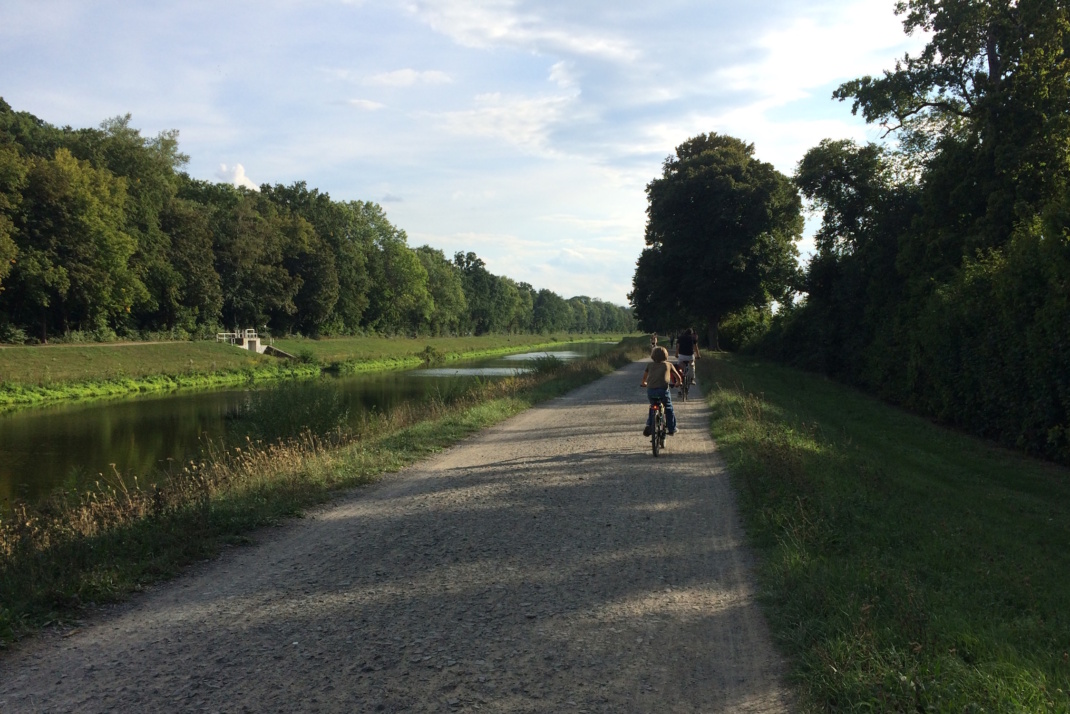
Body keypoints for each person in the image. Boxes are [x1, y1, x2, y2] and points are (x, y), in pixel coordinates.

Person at [640, 346, 681, 436]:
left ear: (653, 356)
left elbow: (644, 377)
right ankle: (672, 428)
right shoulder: (669, 365)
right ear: (666, 355)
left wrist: (644, 383)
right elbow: (678, 377)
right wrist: (678, 383)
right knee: (669, 408)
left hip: (651, 391)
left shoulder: (649, 365)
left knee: (652, 406)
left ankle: (649, 425)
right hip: (663, 391)